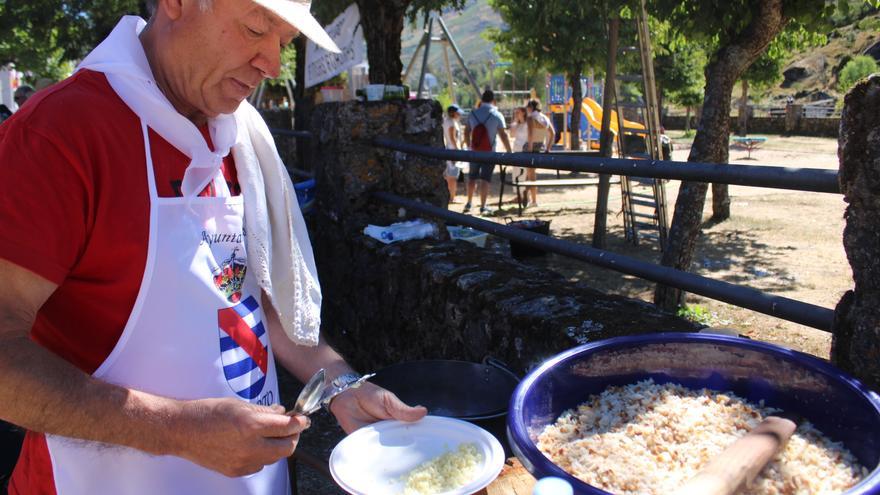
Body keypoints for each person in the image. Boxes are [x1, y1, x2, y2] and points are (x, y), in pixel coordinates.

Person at [0, 1, 426, 494]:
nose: (270, 63)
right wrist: (176, 429)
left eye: (283, 42)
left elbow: (250, 297)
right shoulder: (60, 134)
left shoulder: (233, 132)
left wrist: (340, 384)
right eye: (254, 28)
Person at [463, 89, 512, 215]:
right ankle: (483, 206)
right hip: (489, 153)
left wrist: (469, 145)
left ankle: (469, 202)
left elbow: (466, 131)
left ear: (481, 100)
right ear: (493, 100)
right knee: (485, 179)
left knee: (472, 178)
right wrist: (509, 152)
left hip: (474, 152)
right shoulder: (497, 115)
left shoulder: (473, 114)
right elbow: (503, 135)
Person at [524, 99, 555, 208]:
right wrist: (548, 148)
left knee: (531, 176)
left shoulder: (530, 118)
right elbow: (553, 133)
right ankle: (528, 199)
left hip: (530, 148)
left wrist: (530, 149)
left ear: (531, 107)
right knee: (530, 175)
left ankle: (533, 200)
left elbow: (530, 134)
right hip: (540, 147)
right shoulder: (545, 118)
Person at [442, 104, 463, 204]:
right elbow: (452, 138)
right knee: (452, 177)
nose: (459, 114)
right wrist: (458, 150)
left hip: (449, 150)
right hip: (453, 151)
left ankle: (449, 195)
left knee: (448, 176)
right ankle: (452, 197)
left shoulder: (446, 121)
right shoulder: (451, 123)